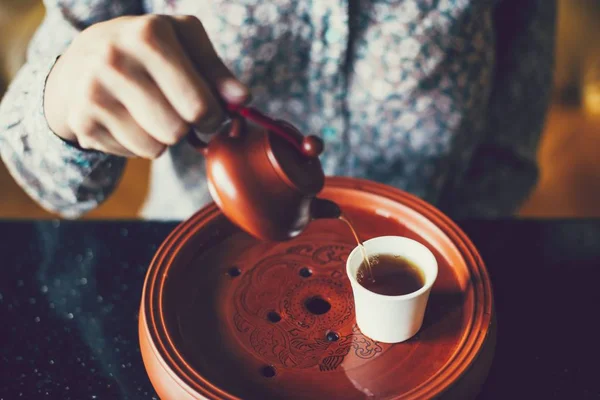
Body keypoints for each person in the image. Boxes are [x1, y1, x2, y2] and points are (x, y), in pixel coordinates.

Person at [0, 0, 556, 221]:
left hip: (419, 276)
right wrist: (62, 98)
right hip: (195, 264)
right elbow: (47, 177)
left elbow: (507, 152)